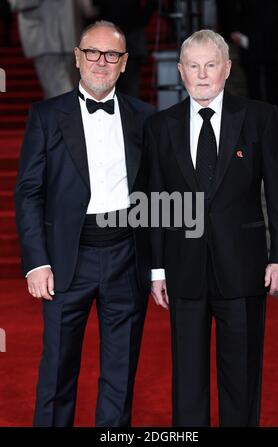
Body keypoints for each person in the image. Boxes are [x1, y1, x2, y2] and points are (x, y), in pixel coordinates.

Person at [146, 29, 278, 426]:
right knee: (188, 378)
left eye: (210, 65)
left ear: (227, 69)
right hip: (184, 270)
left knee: (242, 376)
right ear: (180, 71)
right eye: (193, 66)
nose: (201, 75)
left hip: (244, 268)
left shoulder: (259, 117)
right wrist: (158, 268)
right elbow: (157, 203)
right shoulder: (160, 126)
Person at [14, 20, 154, 427]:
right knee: (57, 369)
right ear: (77, 57)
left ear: (124, 63)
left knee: (120, 373)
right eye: (92, 52)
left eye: (111, 55)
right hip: (65, 263)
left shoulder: (145, 117)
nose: (100, 62)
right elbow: (28, 192)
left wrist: (159, 266)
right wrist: (37, 262)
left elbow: (158, 192)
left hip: (127, 257)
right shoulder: (46, 115)